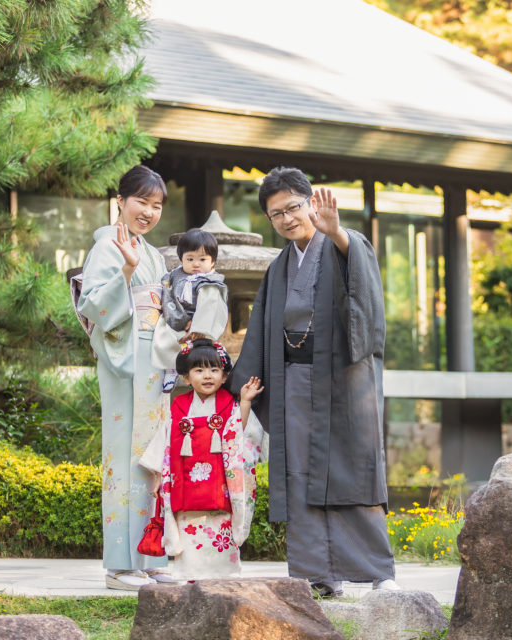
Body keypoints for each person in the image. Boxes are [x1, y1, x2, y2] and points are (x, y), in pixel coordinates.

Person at [229, 166, 398, 597]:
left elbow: (360, 278)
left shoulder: (344, 243)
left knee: (350, 473)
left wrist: (338, 233)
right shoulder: (280, 267)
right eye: (275, 214)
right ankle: (316, 576)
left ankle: (377, 574)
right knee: (301, 475)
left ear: (311, 204)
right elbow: (265, 332)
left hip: (341, 382)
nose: (287, 219)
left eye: (293, 208)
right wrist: (249, 384)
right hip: (293, 383)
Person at [76, 165, 178, 590]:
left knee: (153, 461)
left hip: (153, 362)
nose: (149, 212)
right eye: (141, 202)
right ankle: (120, 565)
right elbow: (93, 306)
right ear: (120, 200)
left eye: (157, 206)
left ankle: (150, 556)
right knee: (125, 458)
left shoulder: (151, 252)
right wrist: (126, 272)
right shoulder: (108, 247)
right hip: (125, 358)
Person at [139, 339, 264, 580]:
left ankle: (224, 575)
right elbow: (166, 442)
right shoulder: (179, 405)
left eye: (214, 370)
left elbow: (237, 433)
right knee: (189, 528)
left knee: (219, 526)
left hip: (219, 481)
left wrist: (245, 402)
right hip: (184, 479)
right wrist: (159, 477)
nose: (208, 376)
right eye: (199, 370)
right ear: (186, 378)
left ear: (224, 376)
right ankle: (191, 575)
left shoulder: (228, 404)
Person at [151, 228, 229, 391]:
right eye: (190, 258)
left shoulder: (211, 280)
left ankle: (199, 339)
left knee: (211, 294)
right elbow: (165, 287)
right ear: (181, 259)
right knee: (163, 334)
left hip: (200, 321)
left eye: (202, 259)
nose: (196, 264)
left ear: (212, 261)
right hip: (177, 316)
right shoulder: (175, 275)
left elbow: (211, 305)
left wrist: (197, 327)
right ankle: (171, 368)